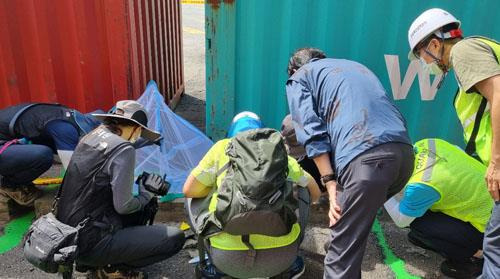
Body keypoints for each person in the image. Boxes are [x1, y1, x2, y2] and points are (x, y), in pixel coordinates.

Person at [286, 48, 414, 278]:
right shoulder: (355, 67)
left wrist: (330, 183)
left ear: (294, 69)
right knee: (351, 223)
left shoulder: (300, 77)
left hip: (367, 162)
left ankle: (340, 250)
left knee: (340, 261)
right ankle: (341, 243)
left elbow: (310, 129)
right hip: (403, 155)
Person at [408, 8, 500, 277]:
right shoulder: (475, 53)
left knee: (494, 253)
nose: (427, 62)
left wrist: (496, 162)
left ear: (435, 44)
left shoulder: (463, 52)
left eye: (423, 55)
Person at [55, 100, 185, 279]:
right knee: (174, 238)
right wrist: (146, 193)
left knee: (143, 207)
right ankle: (110, 268)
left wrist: (147, 142)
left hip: (68, 235)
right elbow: (123, 206)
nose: (138, 136)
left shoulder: (91, 137)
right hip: (91, 240)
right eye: (139, 131)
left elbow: (118, 147)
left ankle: (96, 260)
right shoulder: (124, 150)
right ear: (136, 128)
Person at [183, 111, 321, 279]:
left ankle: (211, 263)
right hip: (282, 259)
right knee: (303, 190)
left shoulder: (221, 148)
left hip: (227, 260)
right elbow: (315, 192)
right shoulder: (279, 154)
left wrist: (215, 191)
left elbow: (188, 190)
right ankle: (292, 259)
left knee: (192, 194)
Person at [384, 138, 493, 278]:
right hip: (491, 203)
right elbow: (458, 151)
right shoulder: (427, 143)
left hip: (491, 231)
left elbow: (401, 221)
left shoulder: (420, 184)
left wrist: (382, 192)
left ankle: (477, 261)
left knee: (418, 223)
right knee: (418, 208)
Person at [0, 103, 100, 207]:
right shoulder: (65, 129)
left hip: (8, 138)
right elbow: (72, 171)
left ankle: (14, 177)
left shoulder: (70, 117)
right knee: (43, 155)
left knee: (53, 146)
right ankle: (10, 185)